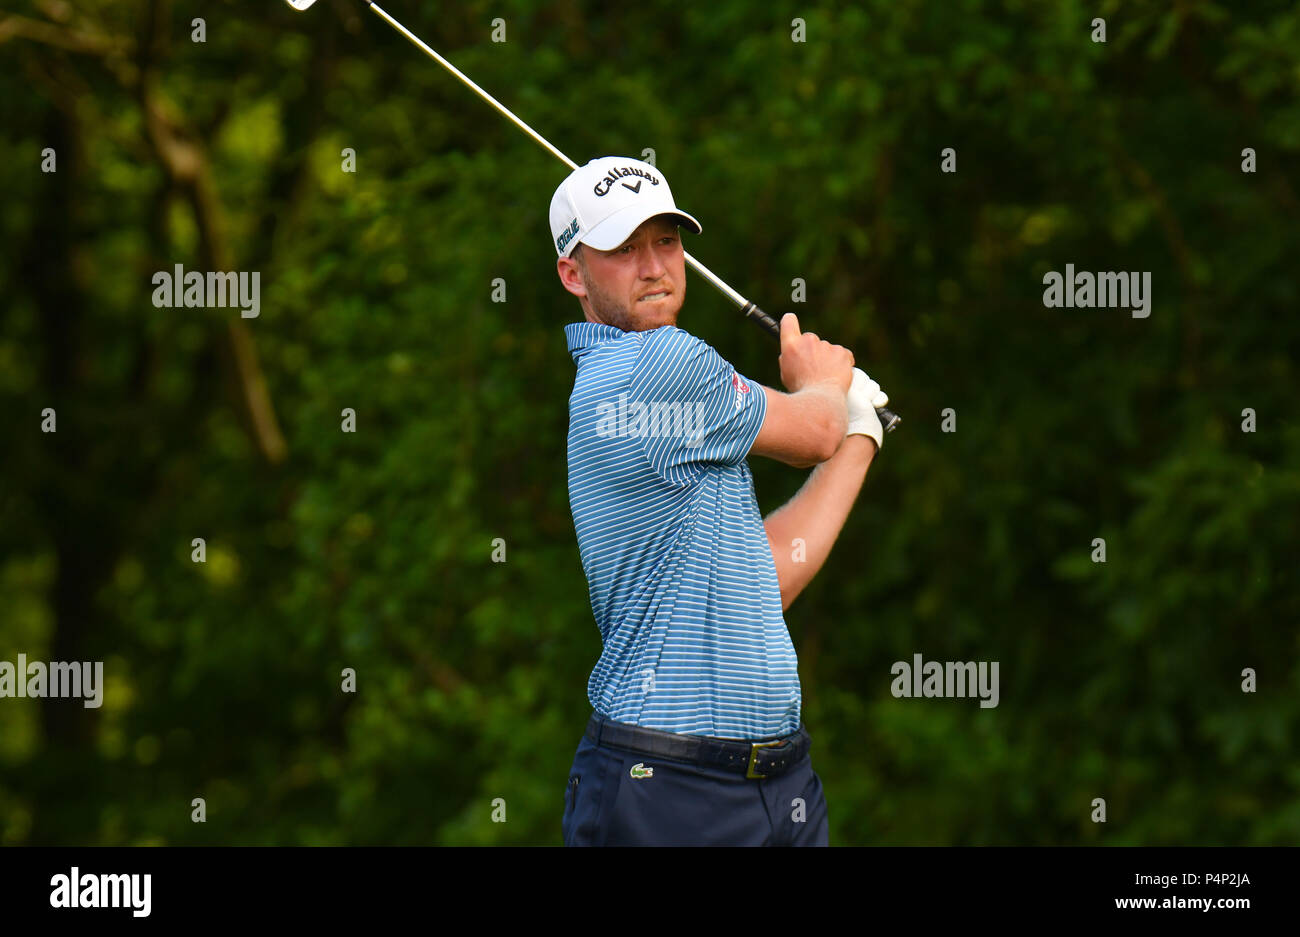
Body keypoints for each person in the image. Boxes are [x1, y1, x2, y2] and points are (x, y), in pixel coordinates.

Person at [551, 156, 887, 846]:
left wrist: (862, 431)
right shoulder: (653, 366)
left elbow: (768, 576)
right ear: (573, 274)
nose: (653, 266)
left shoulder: (666, 394)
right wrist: (821, 379)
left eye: (666, 241)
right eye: (622, 247)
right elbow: (813, 429)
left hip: (779, 783)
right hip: (669, 790)